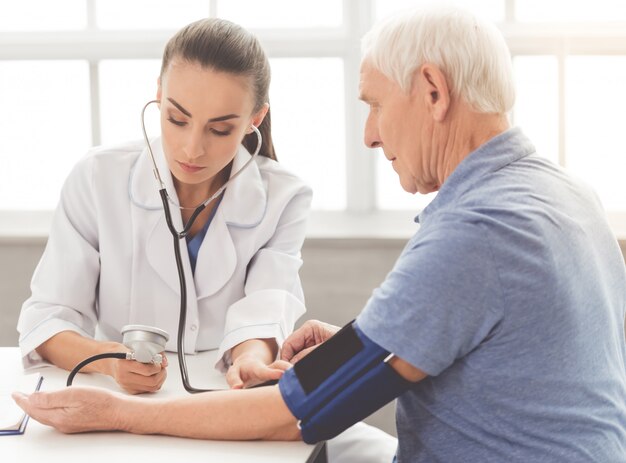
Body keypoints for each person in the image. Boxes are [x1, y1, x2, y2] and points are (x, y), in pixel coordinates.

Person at [14, 6, 626, 463]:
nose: (369, 135)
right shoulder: (565, 195)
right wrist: (359, 343)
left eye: (375, 105)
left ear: (433, 92)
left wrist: (120, 414)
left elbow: (301, 411)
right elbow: (497, 353)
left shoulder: (481, 229)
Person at [17, 18, 312, 393]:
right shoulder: (97, 178)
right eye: (177, 119)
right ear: (158, 94)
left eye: (219, 129)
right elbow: (46, 319)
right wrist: (108, 359)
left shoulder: (285, 197)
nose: (192, 149)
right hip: (116, 392)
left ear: (255, 119)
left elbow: (265, 310)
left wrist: (250, 361)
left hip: (224, 393)